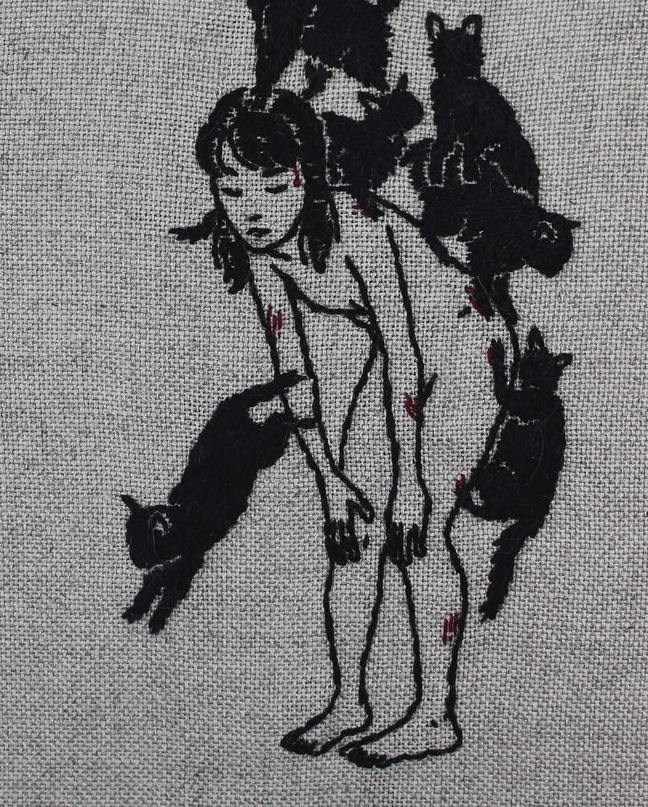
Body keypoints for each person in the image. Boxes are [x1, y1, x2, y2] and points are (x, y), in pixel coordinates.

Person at [174, 83, 499, 766]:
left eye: (272, 186)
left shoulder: (358, 226)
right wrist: (331, 486)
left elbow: (406, 354)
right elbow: (296, 374)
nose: (251, 209)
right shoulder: (262, 251)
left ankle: (435, 716)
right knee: (352, 535)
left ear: (308, 176)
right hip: (402, 363)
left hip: (465, 349)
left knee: (417, 533)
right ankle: (351, 701)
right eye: (231, 189)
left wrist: (411, 484)